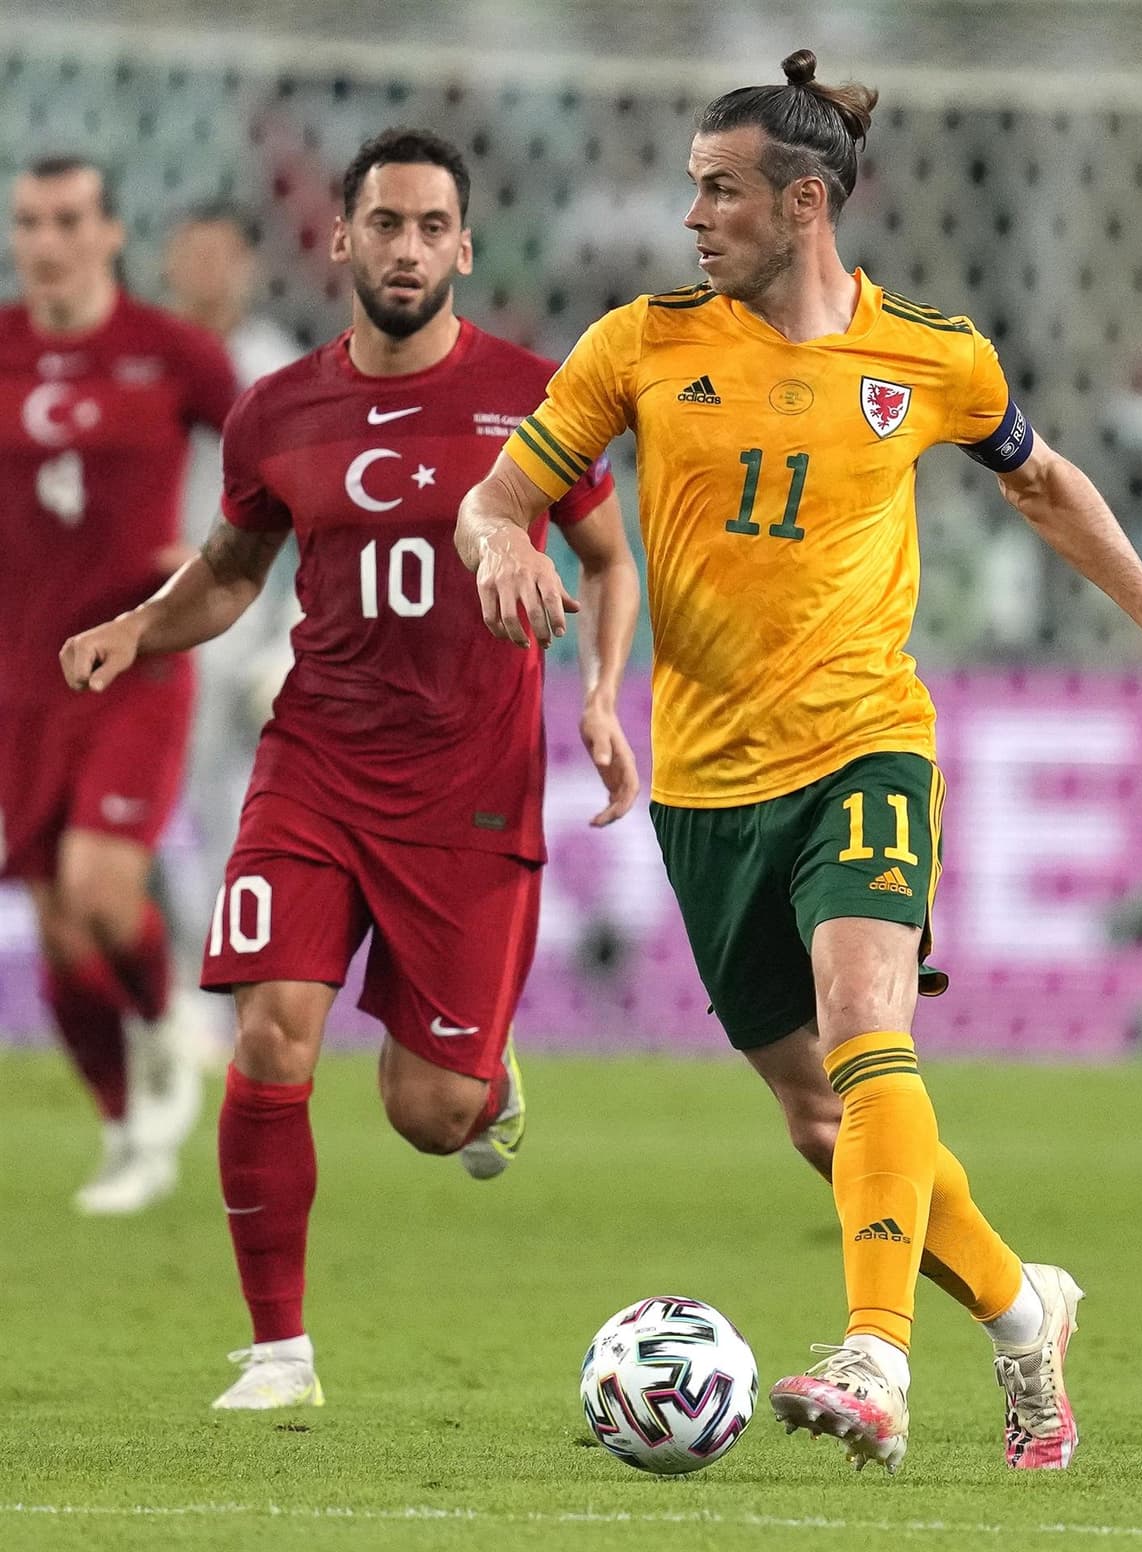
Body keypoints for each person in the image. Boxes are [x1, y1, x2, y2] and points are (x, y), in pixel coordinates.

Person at [456, 50, 1142, 1475]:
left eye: (721, 191)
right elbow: (497, 498)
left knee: (863, 1006)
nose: (692, 216)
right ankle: (1026, 1313)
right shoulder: (639, 344)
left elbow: (1042, 478)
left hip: (867, 740)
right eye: (692, 188)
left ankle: (874, 1358)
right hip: (707, 782)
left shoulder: (931, 355)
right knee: (824, 1118)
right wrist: (507, 544)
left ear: (805, 202)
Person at [59, 128, 640, 1410]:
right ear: (339, 238)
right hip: (314, 758)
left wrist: (600, 693)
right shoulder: (276, 411)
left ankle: (482, 1078)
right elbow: (226, 575)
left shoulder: (533, 399)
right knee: (270, 1033)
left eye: (432, 227)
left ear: (465, 248)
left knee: (429, 1112)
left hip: (469, 785)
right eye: (385, 223)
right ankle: (279, 1353)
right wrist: (134, 626)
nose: (407, 248)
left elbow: (607, 558)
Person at [0, 155, 239, 1214]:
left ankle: (168, 1026)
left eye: (65, 219)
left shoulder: (168, 352)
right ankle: (124, 1124)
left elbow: (268, 462)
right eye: (28, 222)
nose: (45, 240)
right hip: (19, 681)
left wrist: (209, 554)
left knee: (104, 890)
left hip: (134, 662)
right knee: (59, 931)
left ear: (108, 233)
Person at [164, 204, 301, 995]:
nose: (205, 271)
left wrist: (288, 635)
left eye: (221, 255)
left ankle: (212, 987)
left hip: (232, 625)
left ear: (248, 267)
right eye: (192, 254)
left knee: (228, 812)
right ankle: (152, 987)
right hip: (131, 610)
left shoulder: (271, 366)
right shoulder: (145, 355)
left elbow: (312, 515)